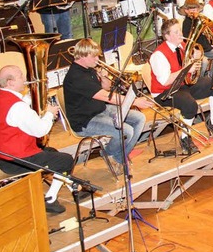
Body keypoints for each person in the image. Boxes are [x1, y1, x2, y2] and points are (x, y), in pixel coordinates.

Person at [0, 65, 72, 213]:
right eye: (20, 76)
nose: (25, 79)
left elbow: (21, 107)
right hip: (17, 161)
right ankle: (50, 198)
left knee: (52, 152)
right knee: (66, 160)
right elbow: (40, 130)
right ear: (10, 82)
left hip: (3, 158)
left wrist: (35, 97)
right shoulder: (17, 107)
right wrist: (49, 114)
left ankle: (71, 184)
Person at [63, 39, 152, 173]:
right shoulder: (76, 77)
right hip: (85, 120)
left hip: (100, 109)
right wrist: (134, 101)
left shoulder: (88, 68)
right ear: (81, 56)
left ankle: (117, 156)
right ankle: (111, 154)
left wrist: (103, 77)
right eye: (94, 56)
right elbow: (106, 97)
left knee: (139, 118)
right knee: (126, 131)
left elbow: (106, 88)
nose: (97, 59)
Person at [149, 19, 213, 153]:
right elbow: (165, 81)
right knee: (190, 105)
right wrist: (187, 69)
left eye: (180, 31)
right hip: (165, 92)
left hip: (183, 84)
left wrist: (196, 57)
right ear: (167, 36)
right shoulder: (159, 55)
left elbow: (190, 69)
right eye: (176, 32)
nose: (181, 34)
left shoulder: (183, 46)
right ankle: (185, 138)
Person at [179, 0, 213, 76]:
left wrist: (206, 33)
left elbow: (206, 34)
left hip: (206, 48)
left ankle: (211, 77)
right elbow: (187, 40)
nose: (195, 12)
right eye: (192, 10)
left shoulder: (200, 20)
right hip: (195, 50)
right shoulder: (186, 23)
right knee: (204, 62)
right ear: (186, 10)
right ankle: (201, 79)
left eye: (196, 9)